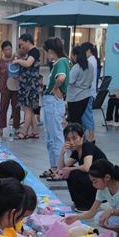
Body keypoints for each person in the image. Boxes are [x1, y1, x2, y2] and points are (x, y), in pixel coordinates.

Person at [54, 123, 106, 209]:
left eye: (74, 138)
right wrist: (62, 153)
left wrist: (70, 169)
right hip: (94, 179)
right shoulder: (77, 150)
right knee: (68, 172)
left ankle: (86, 205)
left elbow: (87, 167)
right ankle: (79, 203)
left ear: (82, 137)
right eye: (68, 139)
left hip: (103, 183)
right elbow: (61, 169)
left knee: (72, 173)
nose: (71, 142)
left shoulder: (87, 146)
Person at [41, 37, 70, 172]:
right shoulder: (61, 62)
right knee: (51, 136)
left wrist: (55, 88)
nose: (46, 55)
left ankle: (58, 168)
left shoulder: (61, 62)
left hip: (53, 101)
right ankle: (54, 166)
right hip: (51, 101)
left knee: (55, 136)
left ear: (51, 51)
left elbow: (61, 77)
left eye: (46, 51)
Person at [0, 40, 20, 137]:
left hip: (15, 88)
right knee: (3, 108)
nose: (8, 51)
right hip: (4, 88)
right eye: (6, 49)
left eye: (10, 49)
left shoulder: (16, 60)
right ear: (3, 50)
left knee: (16, 108)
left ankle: (16, 128)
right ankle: (1, 129)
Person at [14, 33, 40, 139]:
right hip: (26, 84)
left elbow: (28, 63)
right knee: (29, 109)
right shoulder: (29, 52)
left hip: (30, 85)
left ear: (28, 41)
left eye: (22, 44)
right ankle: (35, 131)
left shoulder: (34, 52)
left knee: (28, 109)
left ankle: (24, 132)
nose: (21, 46)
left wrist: (18, 61)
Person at [66, 45, 93, 126]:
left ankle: (77, 134)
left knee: (74, 121)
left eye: (72, 55)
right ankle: (80, 133)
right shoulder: (90, 66)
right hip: (86, 96)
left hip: (74, 98)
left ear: (75, 56)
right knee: (78, 120)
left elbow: (69, 81)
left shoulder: (76, 67)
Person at [80, 42, 99, 139]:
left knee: (87, 115)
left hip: (88, 92)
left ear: (88, 50)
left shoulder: (90, 61)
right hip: (89, 92)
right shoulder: (92, 60)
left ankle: (91, 138)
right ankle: (88, 136)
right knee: (86, 115)